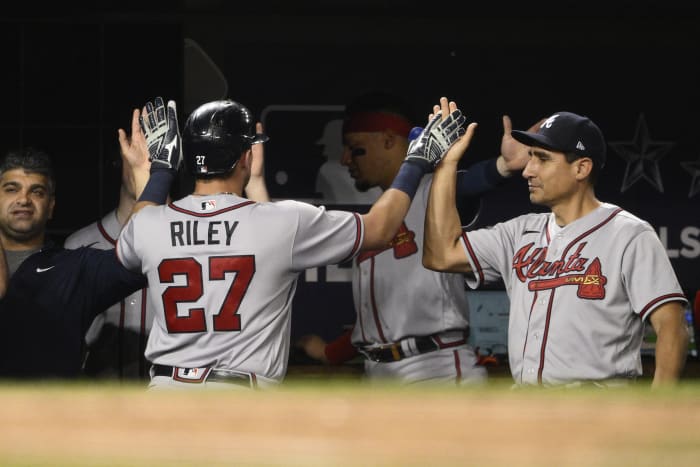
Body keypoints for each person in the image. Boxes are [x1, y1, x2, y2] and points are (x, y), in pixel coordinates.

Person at [115, 96, 465, 390]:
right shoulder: (282, 222)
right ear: (245, 157)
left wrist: (160, 170)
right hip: (239, 398)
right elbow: (379, 228)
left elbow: (136, 229)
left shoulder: (148, 224)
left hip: (165, 395)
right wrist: (416, 161)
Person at [422, 110, 689, 388]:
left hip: (599, 409)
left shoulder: (630, 234)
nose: (528, 170)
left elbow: (672, 327)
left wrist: (656, 406)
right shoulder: (518, 233)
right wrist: (447, 165)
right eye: (530, 157)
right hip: (528, 409)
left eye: (543, 159)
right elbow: (440, 254)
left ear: (581, 168)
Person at [297, 91, 530, 384]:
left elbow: (467, 185)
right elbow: (379, 324)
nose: (345, 160)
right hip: (379, 370)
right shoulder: (376, 222)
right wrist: (331, 352)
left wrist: (502, 167)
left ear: (389, 141)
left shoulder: (434, 190)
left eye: (356, 149)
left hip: (436, 367)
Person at [64, 115, 269, 381]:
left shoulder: (203, 231)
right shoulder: (81, 243)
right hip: (105, 400)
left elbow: (267, 243)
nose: (150, 166)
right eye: (143, 156)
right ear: (122, 161)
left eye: (160, 157)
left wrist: (253, 182)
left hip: (182, 392)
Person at [0, 104, 155, 378]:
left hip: (49, 416)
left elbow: (136, 253)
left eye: (36, 192)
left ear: (51, 206)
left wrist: (146, 179)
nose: (23, 199)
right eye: (11, 189)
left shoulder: (73, 267)